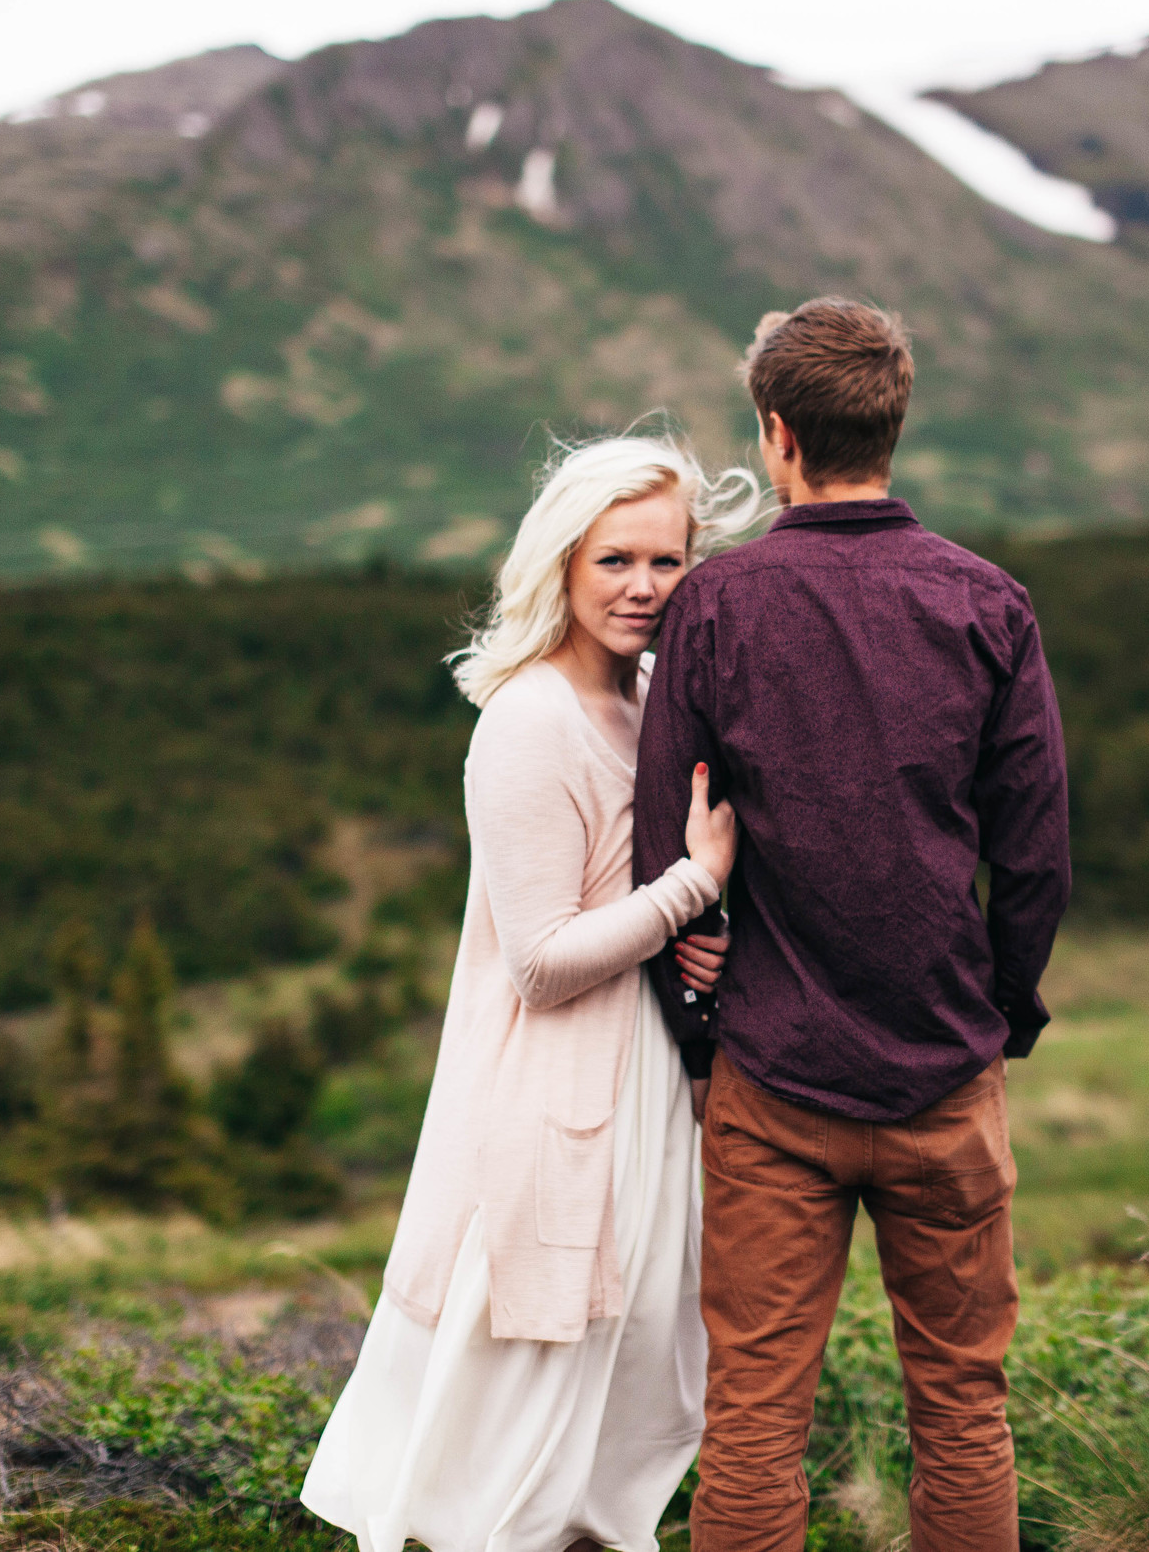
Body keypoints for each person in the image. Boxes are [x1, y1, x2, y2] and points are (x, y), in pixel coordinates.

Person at [632, 298, 1073, 1552]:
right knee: (962, 1408)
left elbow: (665, 835)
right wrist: (1003, 1016)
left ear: (777, 434)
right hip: (945, 1075)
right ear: (892, 423)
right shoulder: (989, 602)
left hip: (772, 1081)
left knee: (757, 1418)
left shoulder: (712, 607)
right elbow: (1034, 853)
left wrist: (700, 1023)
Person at [301, 434, 759, 1552]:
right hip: (556, 1098)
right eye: (615, 560)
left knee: (635, 1383)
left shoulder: (651, 695)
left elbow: (633, 897)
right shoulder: (526, 721)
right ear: (560, 560)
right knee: (527, 1402)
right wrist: (693, 885)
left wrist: (694, 932)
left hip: (647, 1086)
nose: (645, 586)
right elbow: (542, 959)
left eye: (667, 560)